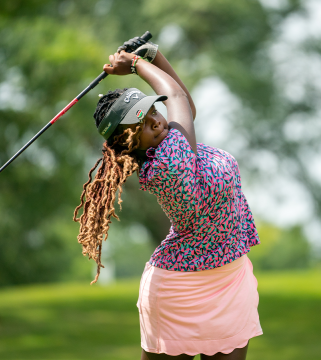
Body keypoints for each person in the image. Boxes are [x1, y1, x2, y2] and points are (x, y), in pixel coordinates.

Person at [73, 40, 262, 360]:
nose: (157, 121)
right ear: (128, 144)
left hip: (230, 278)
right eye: (143, 124)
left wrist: (153, 54)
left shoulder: (171, 144)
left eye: (153, 112)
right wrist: (134, 64)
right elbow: (177, 98)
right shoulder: (166, 163)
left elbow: (184, 104)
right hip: (180, 290)